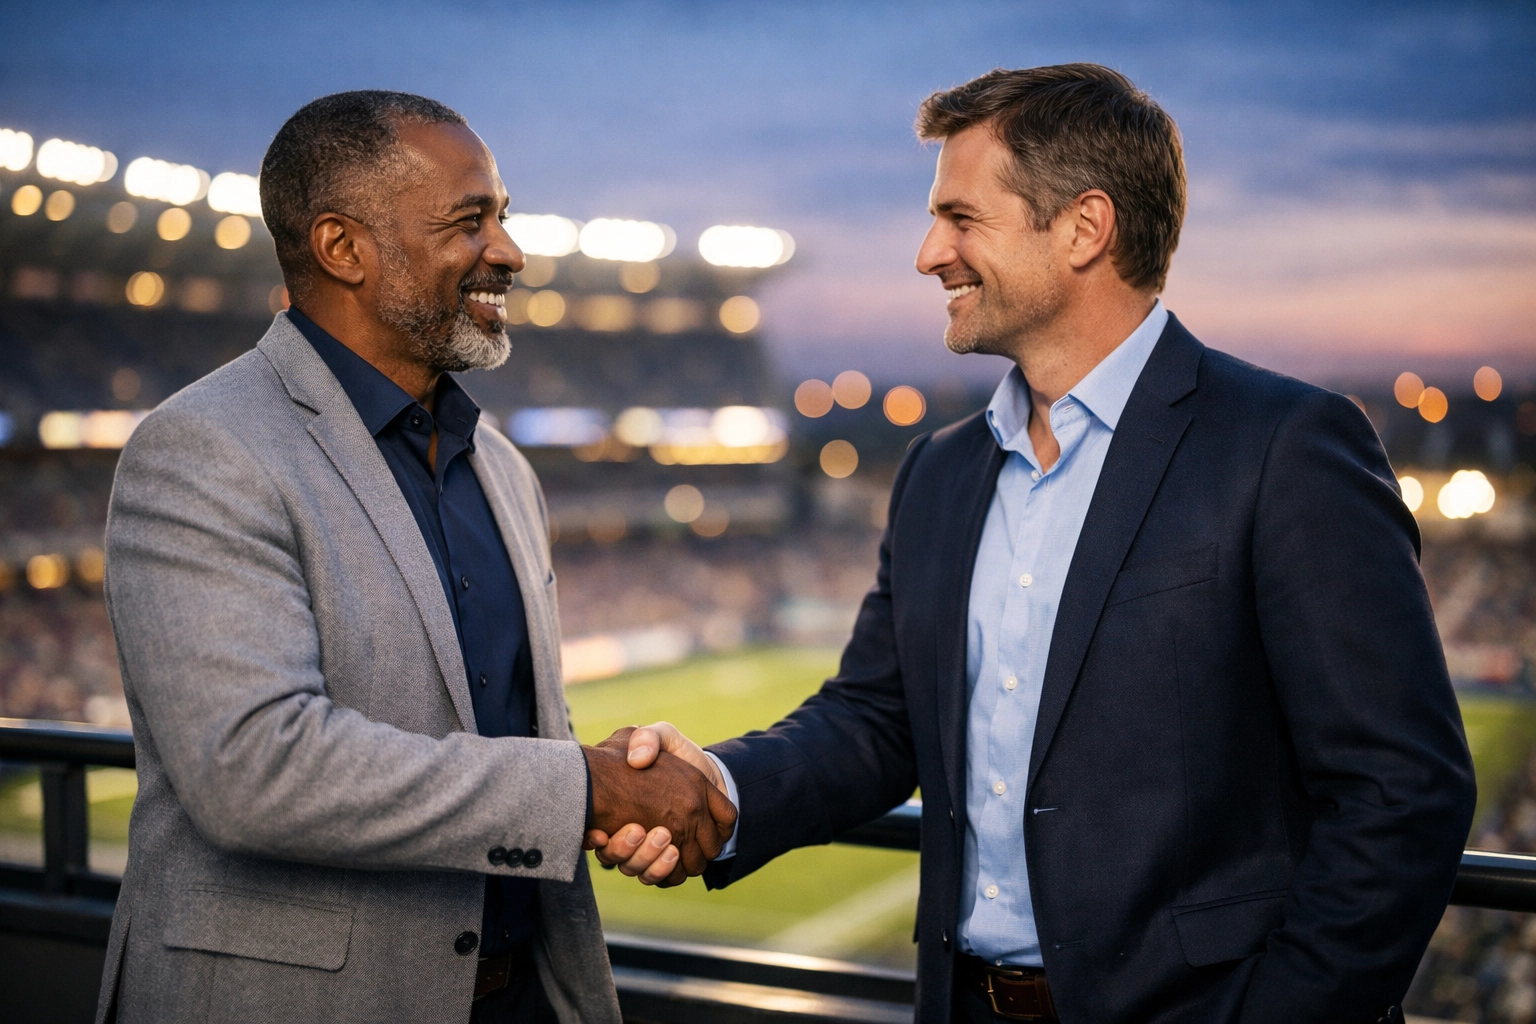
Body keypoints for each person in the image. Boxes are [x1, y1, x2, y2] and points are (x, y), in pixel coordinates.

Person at [591, 65, 1477, 1023]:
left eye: (962, 218)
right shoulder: (941, 472)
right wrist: (718, 788)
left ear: (1084, 228)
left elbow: (1402, 793)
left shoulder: (1284, 447)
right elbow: (880, 720)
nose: (930, 253)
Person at [97, 90, 734, 1024]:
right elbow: (255, 771)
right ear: (342, 248)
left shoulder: (503, 468)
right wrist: (586, 785)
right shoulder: (204, 448)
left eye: (503, 218)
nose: (509, 251)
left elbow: (496, 731)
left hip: (520, 996)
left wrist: (616, 798)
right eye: (468, 221)